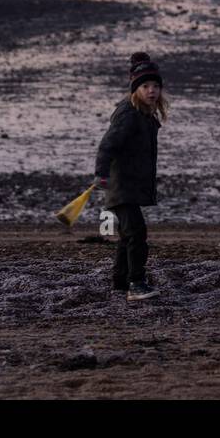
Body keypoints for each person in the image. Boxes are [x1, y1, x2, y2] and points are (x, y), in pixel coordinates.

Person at [94, 52, 166, 300]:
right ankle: (136, 283)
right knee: (137, 233)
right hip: (121, 185)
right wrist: (101, 174)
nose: (152, 91)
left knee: (128, 234)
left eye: (156, 86)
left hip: (128, 186)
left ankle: (120, 282)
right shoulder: (129, 113)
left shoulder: (144, 115)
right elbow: (108, 145)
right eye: (146, 86)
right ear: (136, 88)